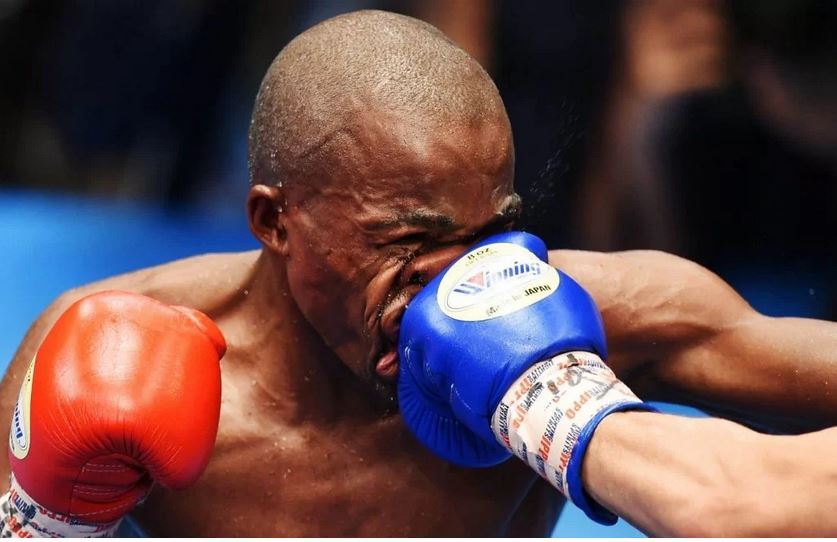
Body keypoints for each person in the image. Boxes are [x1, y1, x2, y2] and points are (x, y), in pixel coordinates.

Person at [0, 10, 835, 536]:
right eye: (404, 241)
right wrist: (46, 526)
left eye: (487, 233)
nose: (450, 280)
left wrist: (565, 404)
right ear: (274, 220)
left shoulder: (591, 318)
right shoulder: (103, 352)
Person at [396, 230, 837, 536]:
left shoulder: (600, 310)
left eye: (492, 231)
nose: (455, 273)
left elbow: (739, 507)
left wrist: (550, 394)